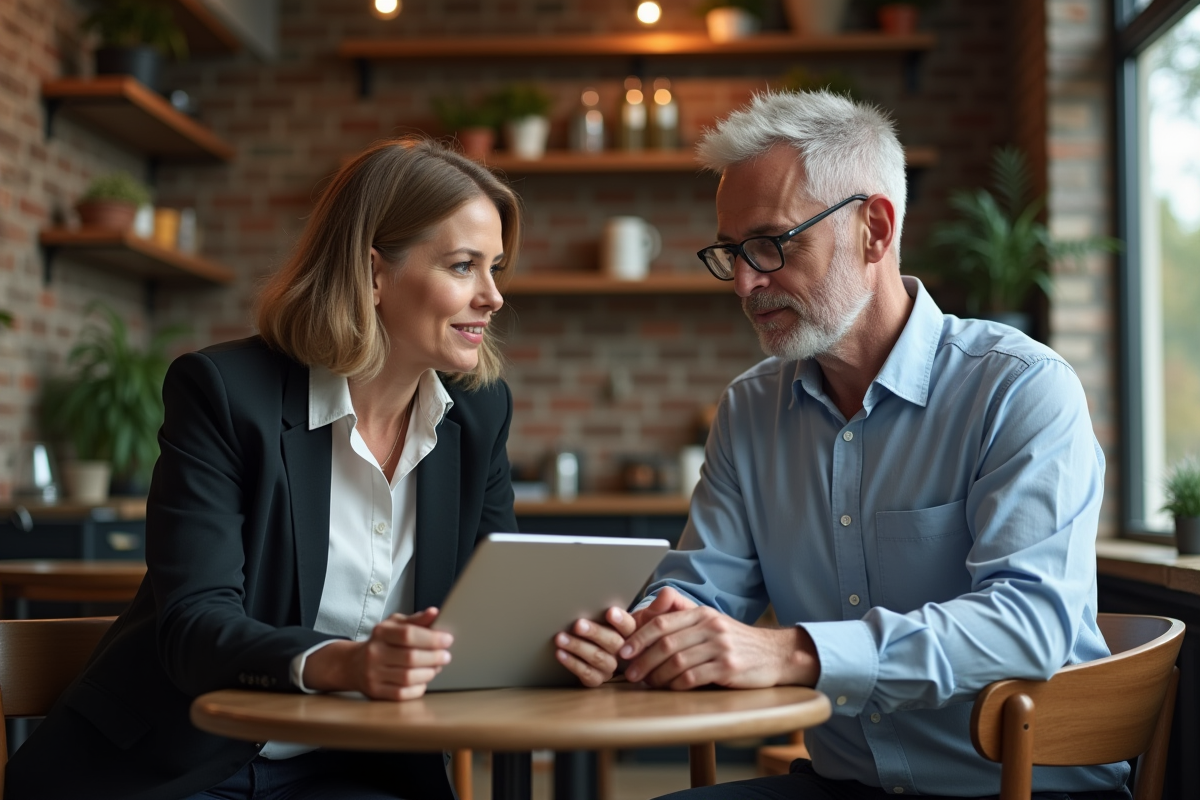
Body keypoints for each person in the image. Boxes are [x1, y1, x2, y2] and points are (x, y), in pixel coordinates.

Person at [5, 137, 622, 800]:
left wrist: (560, 647)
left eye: (496, 268)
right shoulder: (223, 392)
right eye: (464, 266)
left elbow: (492, 615)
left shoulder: (477, 415)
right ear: (373, 274)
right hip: (171, 763)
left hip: (358, 766)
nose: (494, 296)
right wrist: (347, 663)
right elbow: (195, 627)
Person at [616, 91, 1131, 800]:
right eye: (731, 253)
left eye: (771, 243)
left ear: (875, 230)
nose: (744, 281)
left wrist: (793, 651)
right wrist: (638, 633)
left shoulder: (1019, 389)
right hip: (849, 782)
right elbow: (704, 593)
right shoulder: (750, 409)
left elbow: (1028, 624)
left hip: (1027, 787)